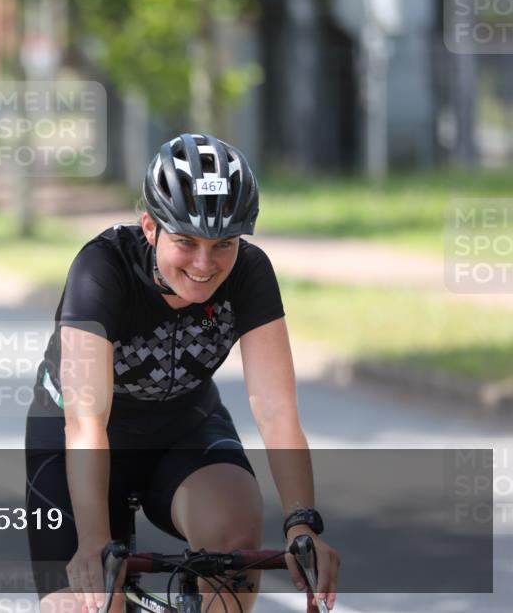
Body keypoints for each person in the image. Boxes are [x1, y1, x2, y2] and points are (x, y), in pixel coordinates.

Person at [25, 133, 339, 613]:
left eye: (224, 244)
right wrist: (93, 544)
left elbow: (276, 410)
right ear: (150, 227)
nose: (204, 263)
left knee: (234, 543)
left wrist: (302, 525)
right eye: (186, 241)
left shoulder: (250, 274)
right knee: (88, 603)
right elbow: (86, 420)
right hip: (77, 437)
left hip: (181, 428)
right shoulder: (100, 270)